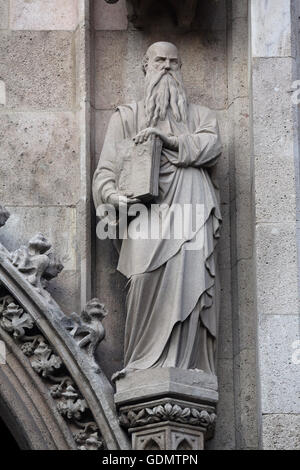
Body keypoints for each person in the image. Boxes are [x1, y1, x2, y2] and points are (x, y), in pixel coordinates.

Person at [93, 42, 222, 380]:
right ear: (145, 67)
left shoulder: (200, 117)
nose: (166, 67)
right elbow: (105, 173)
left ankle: (184, 368)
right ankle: (142, 366)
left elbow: (212, 146)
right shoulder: (126, 117)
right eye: (159, 61)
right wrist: (112, 197)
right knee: (143, 281)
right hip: (144, 220)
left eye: (173, 62)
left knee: (190, 283)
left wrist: (169, 141)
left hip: (191, 211)